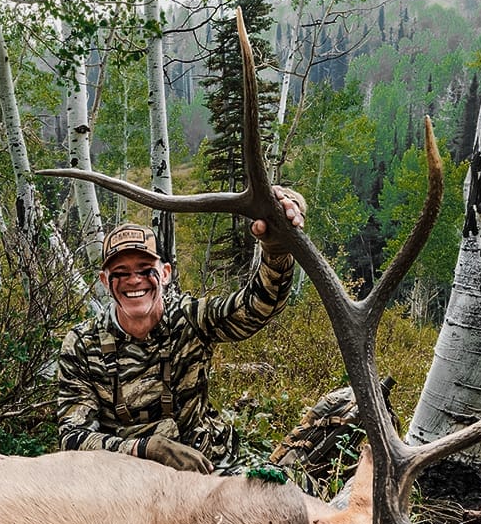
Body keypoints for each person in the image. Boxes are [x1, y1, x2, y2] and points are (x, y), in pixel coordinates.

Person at [56, 186, 306, 474]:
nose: (133, 280)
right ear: (104, 280)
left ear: (164, 273)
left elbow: (257, 307)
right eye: (121, 272)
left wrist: (276, 248)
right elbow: (73, 438)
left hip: (211, 471)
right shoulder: (82, 344)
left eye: (144, 268)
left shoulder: (190, 318)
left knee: (283, 494)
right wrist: (145, 449)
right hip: (126, 483)